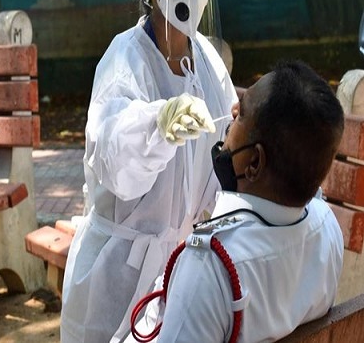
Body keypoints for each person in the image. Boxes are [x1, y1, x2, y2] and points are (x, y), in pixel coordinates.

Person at [60, 0, 237, 342]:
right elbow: (113, 153)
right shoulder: (125, 59)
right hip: (117, 277)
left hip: (182, 270)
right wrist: (157, 125)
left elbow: (227, 151)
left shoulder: (207, 61)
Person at [130, 60, 345, 343]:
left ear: (254, 163)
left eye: (242, 113)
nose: (232, 112)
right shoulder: (328, 227)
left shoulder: (210, 267)